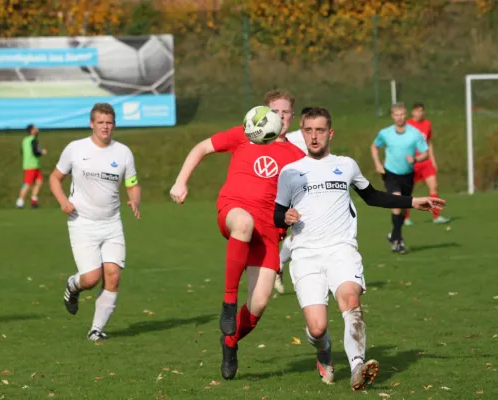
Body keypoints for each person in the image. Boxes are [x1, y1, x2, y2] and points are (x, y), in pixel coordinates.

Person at [274, 107, 446, 390]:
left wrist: (412, 201)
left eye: (320, 130)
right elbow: (277, 214)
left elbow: (373, 197)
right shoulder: (291, 171)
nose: (314, 136)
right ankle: (324, 350)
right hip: (305, 254)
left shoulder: (346, 165)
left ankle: (357, 367)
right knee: (317, 328)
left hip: (341, 248)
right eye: (308, 130)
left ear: (330, 133)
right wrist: (285, 217)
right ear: (302, 133)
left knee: (350, 301)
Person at [169, 89, 305, 380]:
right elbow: (201, 148)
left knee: (259, 304)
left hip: (269, 231)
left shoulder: (297, 157)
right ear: (263, 112)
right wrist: (181, 182)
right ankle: (228, 303)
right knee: (243, 223)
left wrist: (293, 217)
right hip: (234, 210)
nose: (280, 117)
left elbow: (303, 197)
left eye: (286, 113)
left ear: (292, 118)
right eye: (275, 111)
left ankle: (230, 342)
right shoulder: (245, 134)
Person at [49, 103, 141, 341]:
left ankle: (96, 330)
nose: (105, 127)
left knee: (113, 275)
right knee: (91, 279)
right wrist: (62, 202)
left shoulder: (123, 153)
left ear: (114, 125)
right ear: (92, 124)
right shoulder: (75, 149)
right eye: (100, 122)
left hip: (112, 224)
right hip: (82, 223)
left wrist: (135, 201)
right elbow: (55, 178)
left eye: (109, 122)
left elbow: (132, 184)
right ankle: (73, 285)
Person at [370, 103, 429, 254]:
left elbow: (425, 153)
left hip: (408, 175)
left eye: (402, 114)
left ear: (406, 115)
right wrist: (377, 164)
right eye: (396, 115)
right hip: (390, 173)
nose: (399, 118)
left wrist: (415, 159)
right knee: (396, 203)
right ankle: (398, 241)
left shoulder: (414, 133)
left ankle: (394, 235)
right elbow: (374, 146)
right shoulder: (385, 133)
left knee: (403, 208)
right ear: (392, 116)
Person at [274, 106, 313, 294]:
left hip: (305, 193)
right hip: (283, 192)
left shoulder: (316, 138)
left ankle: (280, 266)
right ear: (301, 121)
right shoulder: (293, 139)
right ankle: (277, 265)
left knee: (301, 233)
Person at [405, 102, 451, 226]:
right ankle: (406, 218)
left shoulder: (427, 124)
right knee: (407, 190)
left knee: (434, 186)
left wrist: (433, 160)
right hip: (412, 163)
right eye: (416, 111)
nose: (418, 113)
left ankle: (436, 217)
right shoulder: (407, 125)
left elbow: (428, 143)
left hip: (426, 162)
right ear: (412, 112)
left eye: (421, 111)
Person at [16, 124, 47, 209]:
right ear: (32, 130)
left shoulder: (25, 140)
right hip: (31, 165)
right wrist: (42, 152)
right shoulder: (33, 140)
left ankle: (34, 201)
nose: (37, 130)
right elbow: (35, 152)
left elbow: (22, 151)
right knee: (27, 184)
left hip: (34, 165)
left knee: (39, 182)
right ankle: (20, 202)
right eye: (35, 128)